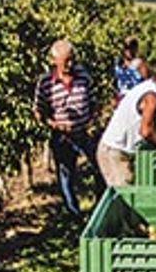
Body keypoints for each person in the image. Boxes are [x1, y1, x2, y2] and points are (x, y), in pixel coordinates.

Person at [33, 39, 104, 218]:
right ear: (54, 61)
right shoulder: (46, 83)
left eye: (72, 59)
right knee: (66, 176)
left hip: (84, 133)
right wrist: (53, 124)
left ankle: (100, 208)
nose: (70, 64)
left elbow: (94, 100)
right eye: (66, 61)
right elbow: (38, 111)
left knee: (99, 168)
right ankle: (74, 215)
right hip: (62, 136)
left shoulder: (83, 76)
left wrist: (92, 120)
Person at [95, 61, 156, 187]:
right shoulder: (152, 97)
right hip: (114, 153)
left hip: (119, 151)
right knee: (126, 197)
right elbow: (146, 131)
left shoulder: (151, 88)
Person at [112, 36, 149, 103]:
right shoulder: (118, 64)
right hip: (121, 99)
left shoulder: (139, 63)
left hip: (135, 99)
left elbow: (146, 84)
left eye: (132, 47)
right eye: (127, 47)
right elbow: (115, 83)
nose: (129, 50)